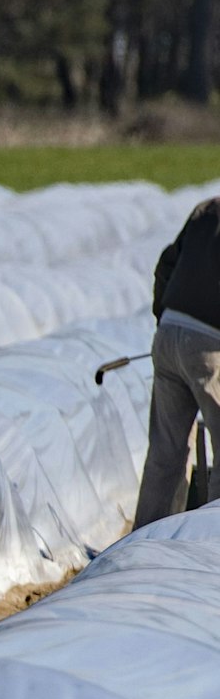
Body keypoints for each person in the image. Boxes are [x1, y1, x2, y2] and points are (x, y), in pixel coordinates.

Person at [136, 196, 220, 525]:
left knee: (165, 453)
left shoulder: (208, 209)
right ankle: (211, 542)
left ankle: (147, 540)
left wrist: (165, 321)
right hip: (211, 345)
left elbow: (165, 265)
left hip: (169, 333)